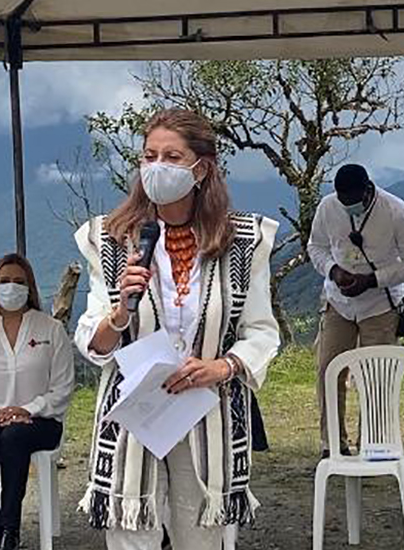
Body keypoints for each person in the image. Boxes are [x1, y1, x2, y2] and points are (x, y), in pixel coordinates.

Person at [74, 108, 280, 550]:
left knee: (204, 533)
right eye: (149, 156)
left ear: (201, 168)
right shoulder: (109, 238)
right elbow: (93, 339)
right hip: (136, 411)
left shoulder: (244, 240)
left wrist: (222, 367)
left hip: (208, 411)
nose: (157, 167)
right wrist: (119, 314)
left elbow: (261, 331)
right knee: (132, 532)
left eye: (171, 156)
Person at [306, 163, 404, 457]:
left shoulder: (397, 212)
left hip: (380, 305)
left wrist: (372, 280)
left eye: (354, 202)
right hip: (338, 302)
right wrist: (334, 271)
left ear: (368, 190)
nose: (349, 208)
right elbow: (316, 247)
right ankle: (332, 444)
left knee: (377, 375)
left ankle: (372, 443)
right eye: (343, 202)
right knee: (328, 370)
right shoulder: (327, 207)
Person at [0, 253, 75, 550]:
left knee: (15, 436)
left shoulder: (51, 329)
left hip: (41, 422)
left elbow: (62, 387)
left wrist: (28, 409)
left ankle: (11, 530)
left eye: (19, 282)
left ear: (30, 287)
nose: (12, 287)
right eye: (5, 281)